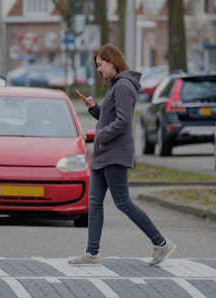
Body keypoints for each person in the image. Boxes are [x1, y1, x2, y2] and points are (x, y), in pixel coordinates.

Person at [68, 43, 175, 266]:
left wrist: (101, 136)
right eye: (97, 65)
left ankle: (161, 243)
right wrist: (94, 108)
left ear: (111, 62)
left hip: (114, 154)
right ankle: (92, 252)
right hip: (104, 154)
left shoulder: (124, 86)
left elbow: (124, 122)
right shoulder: (116, 86)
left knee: (123, 202)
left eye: (100, 65)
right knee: (95, 202)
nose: (98, 69)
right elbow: (110, 117)